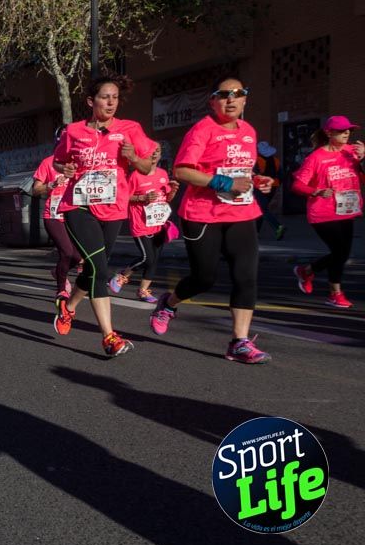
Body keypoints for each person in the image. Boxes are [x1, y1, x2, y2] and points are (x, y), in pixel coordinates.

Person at [150, 77, 273, 364]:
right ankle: (168, 304)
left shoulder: (249, 131)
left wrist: (258, 180)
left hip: (242, 213)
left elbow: (241, 170)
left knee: (246, 277)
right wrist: (223, 182)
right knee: (204, 278)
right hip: (203, 213)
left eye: (237, 94)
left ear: (245, 99)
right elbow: (181, 170)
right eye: (223, 95)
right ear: (213, 102)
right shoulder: (202, 130)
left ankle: (239, 342)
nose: (230, 100)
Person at [52, 75, 157, 357]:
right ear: (91, 101)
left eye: (115, 97)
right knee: (100, 268)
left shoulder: (130, 129)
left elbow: (147, 167)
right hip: (79, 206)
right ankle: (109, 337)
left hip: (113, 208)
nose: (111, 102)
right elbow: (58, 160)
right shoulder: (73, 131)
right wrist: (66, 170)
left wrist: (133, 157)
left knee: (94, 269)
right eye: (104, 97)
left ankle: (69, 306)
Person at [292, 116, 364, 308]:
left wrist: (363, 158)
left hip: (347, 210)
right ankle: (334, 292)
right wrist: (315, 191)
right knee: (340, 252)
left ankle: (307, 271)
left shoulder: (352, 152)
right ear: (329, 133)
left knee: (342, 254)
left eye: (349, 130)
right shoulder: (315, 158)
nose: (347, 133)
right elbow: (298, 185)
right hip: (323, 213)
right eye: (341, 130)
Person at [108, 148, 176, 303]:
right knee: (147, 257)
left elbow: (166, 198)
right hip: (141, 223)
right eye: (151, 150)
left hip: (158, 222)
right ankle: (121, 276)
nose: (154, 153)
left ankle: (143, 291)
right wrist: (142, 197)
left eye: (157, 151)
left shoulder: (163, 174)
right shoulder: (135, 175)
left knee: (155, 259)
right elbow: (123, 197)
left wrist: (173, 192)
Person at [32, 151, 81, 300]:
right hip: (53, 215)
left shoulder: (80, 161)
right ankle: (61, 290)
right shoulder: (48, 162)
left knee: (78, 257)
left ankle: (58, 271)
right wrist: (51, 184)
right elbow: (35, 190)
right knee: (66, 252)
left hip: (74, 214)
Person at [253, 141, 286, 240]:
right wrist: (276, 183)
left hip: (260, 187)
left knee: (261, 209)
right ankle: (256, 233)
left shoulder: (257, 161)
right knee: (261, 209)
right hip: (273, 186)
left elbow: (256, 175)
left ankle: (277, 226)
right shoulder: (276, 160)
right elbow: (281, 175)